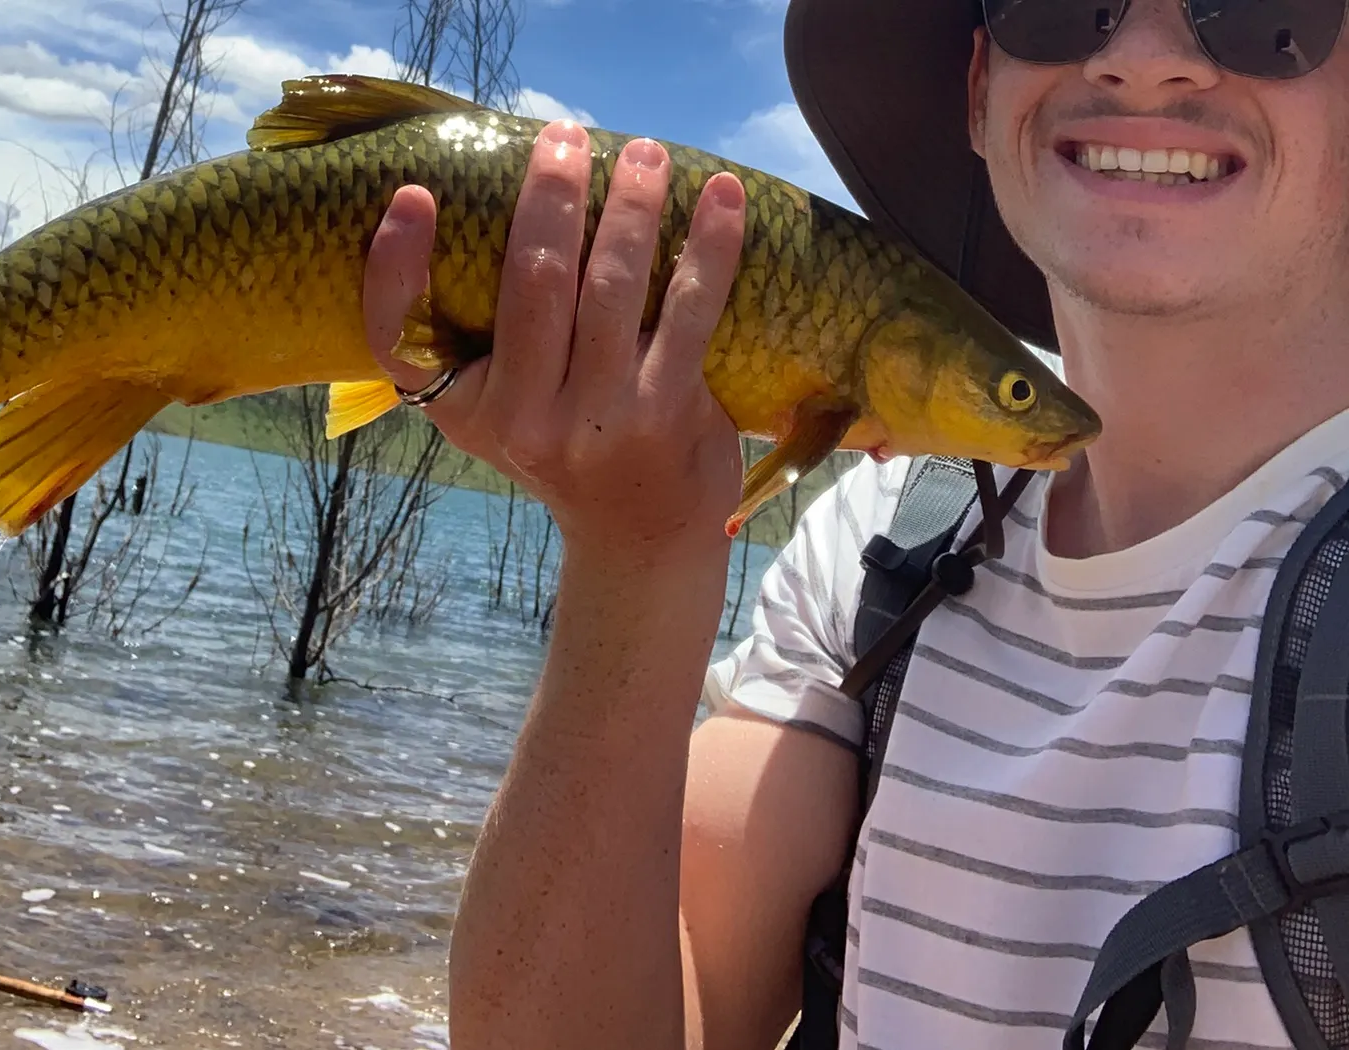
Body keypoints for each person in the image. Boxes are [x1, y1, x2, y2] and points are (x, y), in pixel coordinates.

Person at [356, 0, 1349, 1042]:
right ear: (979, 90)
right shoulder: (882, 545)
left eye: (1259, 6)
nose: (1143, 62)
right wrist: (636, 560)